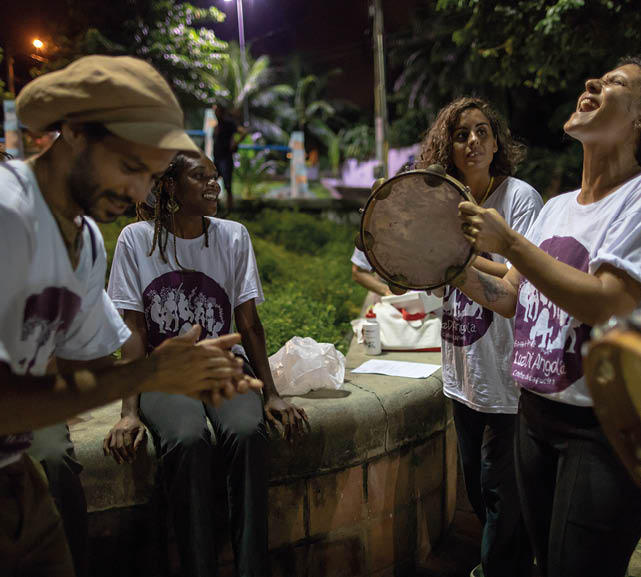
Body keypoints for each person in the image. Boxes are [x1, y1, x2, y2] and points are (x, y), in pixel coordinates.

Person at [0, 55, 260, 576]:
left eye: (148, 175)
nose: (138, 194)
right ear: (74, 132)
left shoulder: (88, 239)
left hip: (14, 476)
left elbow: (84, 367)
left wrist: (163, 379)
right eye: (127, 167)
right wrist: (151, 375)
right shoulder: (10, 217)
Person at [455, 59, 641, 577]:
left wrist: (509, 240)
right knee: (544, 562)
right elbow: (511, 295)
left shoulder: (637, 200)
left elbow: (606, 302)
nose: (592, 85)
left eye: (614, 84)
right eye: (594, 79)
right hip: (533, 414)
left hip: (600, 428)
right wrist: (440, 262)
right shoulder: (555, 208)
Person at [104, 150, 308, 577]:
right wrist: (128, 412)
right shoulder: (137, 240)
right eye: (200, 177)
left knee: (247, 431)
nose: (214, 184)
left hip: (222, 367)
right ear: (170, 187)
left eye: (215, 176)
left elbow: (249, 324)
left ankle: (252, 568)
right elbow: (134, 330)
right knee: (187, 437)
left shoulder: (233, 236)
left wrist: (271, 393)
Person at [417, 97, 543, 577]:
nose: (473, 141)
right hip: (463, 376)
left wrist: (453, 254)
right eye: (461, 133)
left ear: (497, 143)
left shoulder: (518, 199)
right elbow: (427, 278)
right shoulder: (443, 202)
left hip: (508, 383)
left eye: (482, 132)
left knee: (501, 504)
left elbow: (520, 277)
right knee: (480, 494)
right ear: (447, 146)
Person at [214, 104, 244, 214]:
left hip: (225, 158)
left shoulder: (229, 124)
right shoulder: (218, 125)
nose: (215, 113)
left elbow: (243, 132)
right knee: (211, 183)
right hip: (217, 158)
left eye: (217, 111)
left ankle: (230, 210)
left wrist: (235, 143)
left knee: (227, 186)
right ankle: (217, 208)